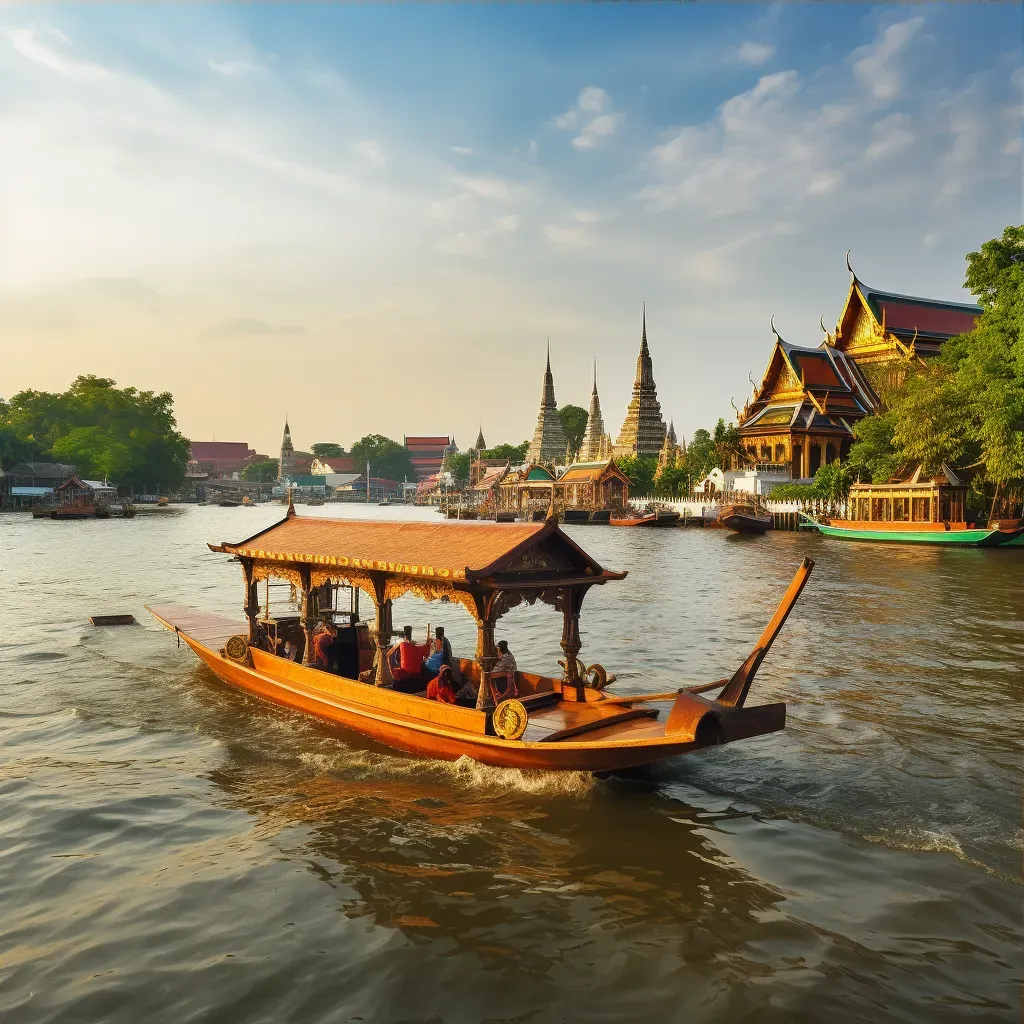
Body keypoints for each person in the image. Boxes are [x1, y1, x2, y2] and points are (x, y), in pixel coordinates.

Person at [388, 625, 430, 693]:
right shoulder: (417, 647)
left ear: (404, 636)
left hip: (405, 680)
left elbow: (389, 654)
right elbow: (426, 654)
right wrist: (428, 644)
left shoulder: (401, 645)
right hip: (415, 680)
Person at [477, 639, 518, 709]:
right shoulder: (508, 654)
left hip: (505, 683)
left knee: (485, 681)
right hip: (509, 679)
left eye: (498, 649)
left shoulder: (506, 657)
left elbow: (493, 672)